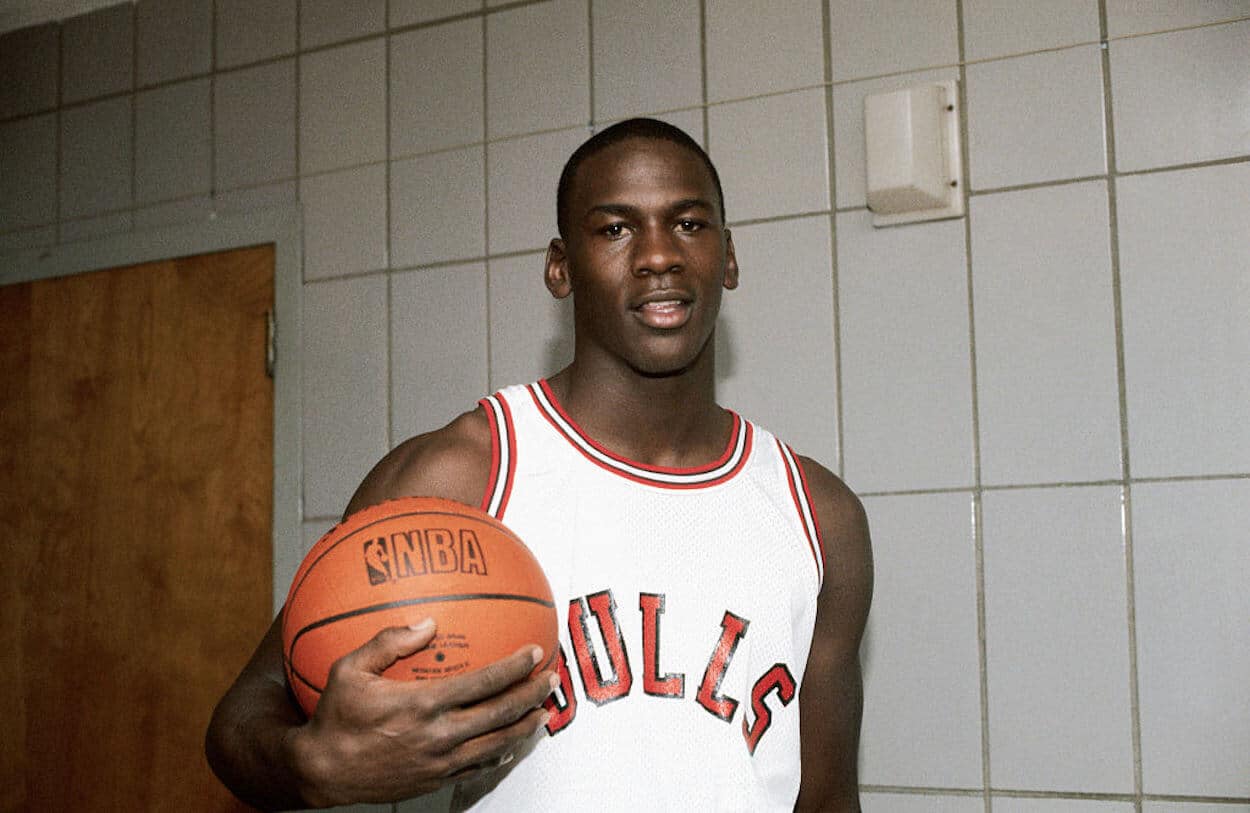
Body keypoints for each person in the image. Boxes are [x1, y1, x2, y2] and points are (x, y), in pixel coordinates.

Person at [206, 118, 873, 811]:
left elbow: (826, 799)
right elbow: (239, 721)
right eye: (615, 228)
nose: (657, 256)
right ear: (560, 267)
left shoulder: (818, 516)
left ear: (728, 258)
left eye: (689, 225)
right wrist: (308, 765)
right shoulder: (462, 476)